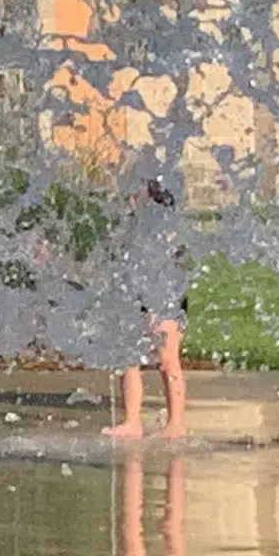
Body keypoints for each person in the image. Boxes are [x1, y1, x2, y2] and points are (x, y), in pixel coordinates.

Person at [103, 177, 189, 440]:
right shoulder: (134, 225)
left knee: (168, 360)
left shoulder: (162, 229)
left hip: (164, 297)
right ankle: (132, 422)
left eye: (134, 192)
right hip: (135, 295)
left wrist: (155, 307)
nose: (128, 198)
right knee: (128, 359)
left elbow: (167, 270)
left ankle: (175, 424)